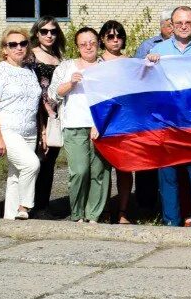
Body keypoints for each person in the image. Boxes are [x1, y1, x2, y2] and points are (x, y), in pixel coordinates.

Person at [147, 6, 191, 228]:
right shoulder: (159, 51)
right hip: (168, 122)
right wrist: (150, 65)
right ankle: (171, 221)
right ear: (171, 25)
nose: (184, 26)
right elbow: (145, 84)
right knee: (168, 175)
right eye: (179, 23)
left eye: (188, 23)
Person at [50, 28, 108, 223]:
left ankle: (94, 215)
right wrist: (70, 84)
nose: (88, 47)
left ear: (98, 43)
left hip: (99, 127)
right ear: (77, 47)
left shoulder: (105, 67)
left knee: (98, 172)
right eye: (83, 44)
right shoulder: (66, 67)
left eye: (92, 42)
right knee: (79, 171)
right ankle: (77, 213)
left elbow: (112, 98)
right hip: (74, 125)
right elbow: (52, 94)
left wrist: (100, 124)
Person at [0, 28, 42, 220]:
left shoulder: (30, 72)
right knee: (31, 165)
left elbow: (35, 105)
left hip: (29, 131)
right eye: (13, 44)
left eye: (23, 43)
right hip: (4, 129)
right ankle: (25, 207)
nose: (19, 47)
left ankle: (10, 220)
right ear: (5, 49)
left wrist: (41, 131)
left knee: (16, 175)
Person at [98, 19, 139, 224]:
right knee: (102, 170)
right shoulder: (96, 64)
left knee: (124, 169)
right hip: (103, 122)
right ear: (103, 39)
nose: (116, 40)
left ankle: (123, 211)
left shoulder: (130, 62)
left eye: (119, 36)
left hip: (125, 122)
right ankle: (103, 210)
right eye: (111, 36)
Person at [26, 17, 64, 218]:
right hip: (36, 115)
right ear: (37, 33)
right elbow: (32, 89)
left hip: (55, 115)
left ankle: (43, 205)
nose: (49, 35)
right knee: (36, 160)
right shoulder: (31, 56)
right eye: (44, 31)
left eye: (53, 31)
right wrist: (42, 120)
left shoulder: (59, 57)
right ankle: (29, 205)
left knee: (50, 161)